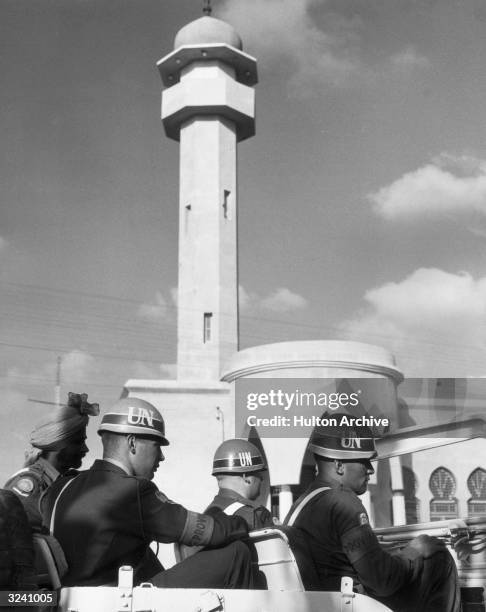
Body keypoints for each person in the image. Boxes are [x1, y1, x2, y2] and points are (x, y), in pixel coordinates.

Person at [41, 398, 253, 589]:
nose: (161, 457)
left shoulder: (62, 486)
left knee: (146, 556)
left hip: (69, 600)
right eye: (156, 446)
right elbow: (209, 531)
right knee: (236, 552)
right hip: (115, 603)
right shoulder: (131, 492)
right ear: (132, 443)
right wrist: (243, 523)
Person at [284, 416, 461, 612]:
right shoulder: (343, 502)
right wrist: (415, 551)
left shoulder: (300, 505)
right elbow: (382, 581)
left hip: (325, 601)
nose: (370, 469)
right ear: (339, 465)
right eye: (363, 461)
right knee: (436, 555)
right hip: (351, 604)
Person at [4, 392, 99, 531]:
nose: (85, 449)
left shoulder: (64, 481)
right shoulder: (31, 485)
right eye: (79, 442)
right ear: (60, 444)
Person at [205, 439, 275, 530]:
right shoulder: (256, 515)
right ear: (247, 478)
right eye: (259, 474)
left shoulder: (208, 514)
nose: (262, 479)